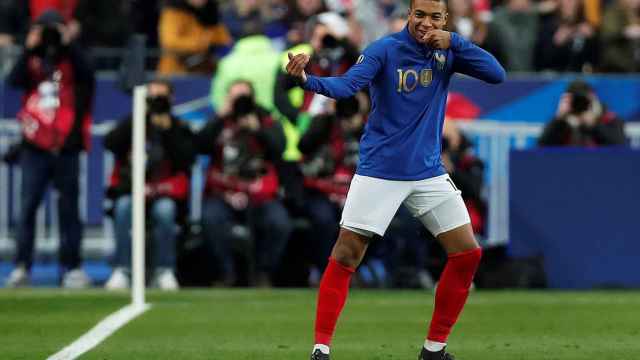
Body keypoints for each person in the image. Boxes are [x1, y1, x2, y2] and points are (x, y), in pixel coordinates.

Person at [286, 0, 506, 358]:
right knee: (345, 255)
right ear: (409, 15)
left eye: (435, 17)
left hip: (428, 172)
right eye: (420, 14)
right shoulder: (384, 50)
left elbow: (497, 75)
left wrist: (456, 42)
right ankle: (321, 349)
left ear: (445, 20)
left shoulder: (448, 51)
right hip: (380, 171)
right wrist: (306, 80)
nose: (425, 23)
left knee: (467, 254)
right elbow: (346, 86)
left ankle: (433, 349)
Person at [4, 10, 95, 288]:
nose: (49, 36)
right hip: (35, 145)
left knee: (69, 209)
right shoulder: (32, 59)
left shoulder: (73, 58)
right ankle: (22, 266)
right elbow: (12, 81)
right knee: (28, 206)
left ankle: (73, 267)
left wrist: (69, 43)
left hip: (67, 144)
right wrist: (29, 48)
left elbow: (88, 76)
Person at [103, 79, 196, 291]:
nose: (155, 102)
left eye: (160, 98)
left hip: (165, 193)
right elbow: (110, 143)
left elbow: (187, 158)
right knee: (124, 207)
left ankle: (165, 270)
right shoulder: (134, 123)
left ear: (171, 99)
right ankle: (122, 270)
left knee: (165, 211)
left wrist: (168, 130)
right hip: (132, 191)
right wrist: (140, 115)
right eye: (151, 97)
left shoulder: (178, 126)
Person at [197, 80, 290, 287]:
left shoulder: (265, 119)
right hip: (222, 193)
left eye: (244, 97)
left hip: (260, 194)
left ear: (253, 99)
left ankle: (263, 273)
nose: (239, 103)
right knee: (210, 219)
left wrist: (258, 130)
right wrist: (219, 118)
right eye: (235, 97)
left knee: (279, 222)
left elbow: (279, 150)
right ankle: (226, 273)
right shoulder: (220, 121)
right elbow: (199, 145)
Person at [538, 80, 627, 146]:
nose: (580, 105)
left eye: (584, 102)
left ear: (594, 100)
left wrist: (593, 124)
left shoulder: (609, 119)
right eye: (575, 102)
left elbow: (620, 147)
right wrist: (558, 120)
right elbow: (542, 148)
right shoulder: (562, 122)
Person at [157, 0, 232, 75]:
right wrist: (201, 42)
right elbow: (170, 42)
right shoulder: (173, 13)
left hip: (205, 71)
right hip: (174, 72)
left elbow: (225, 40)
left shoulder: (210, 12)